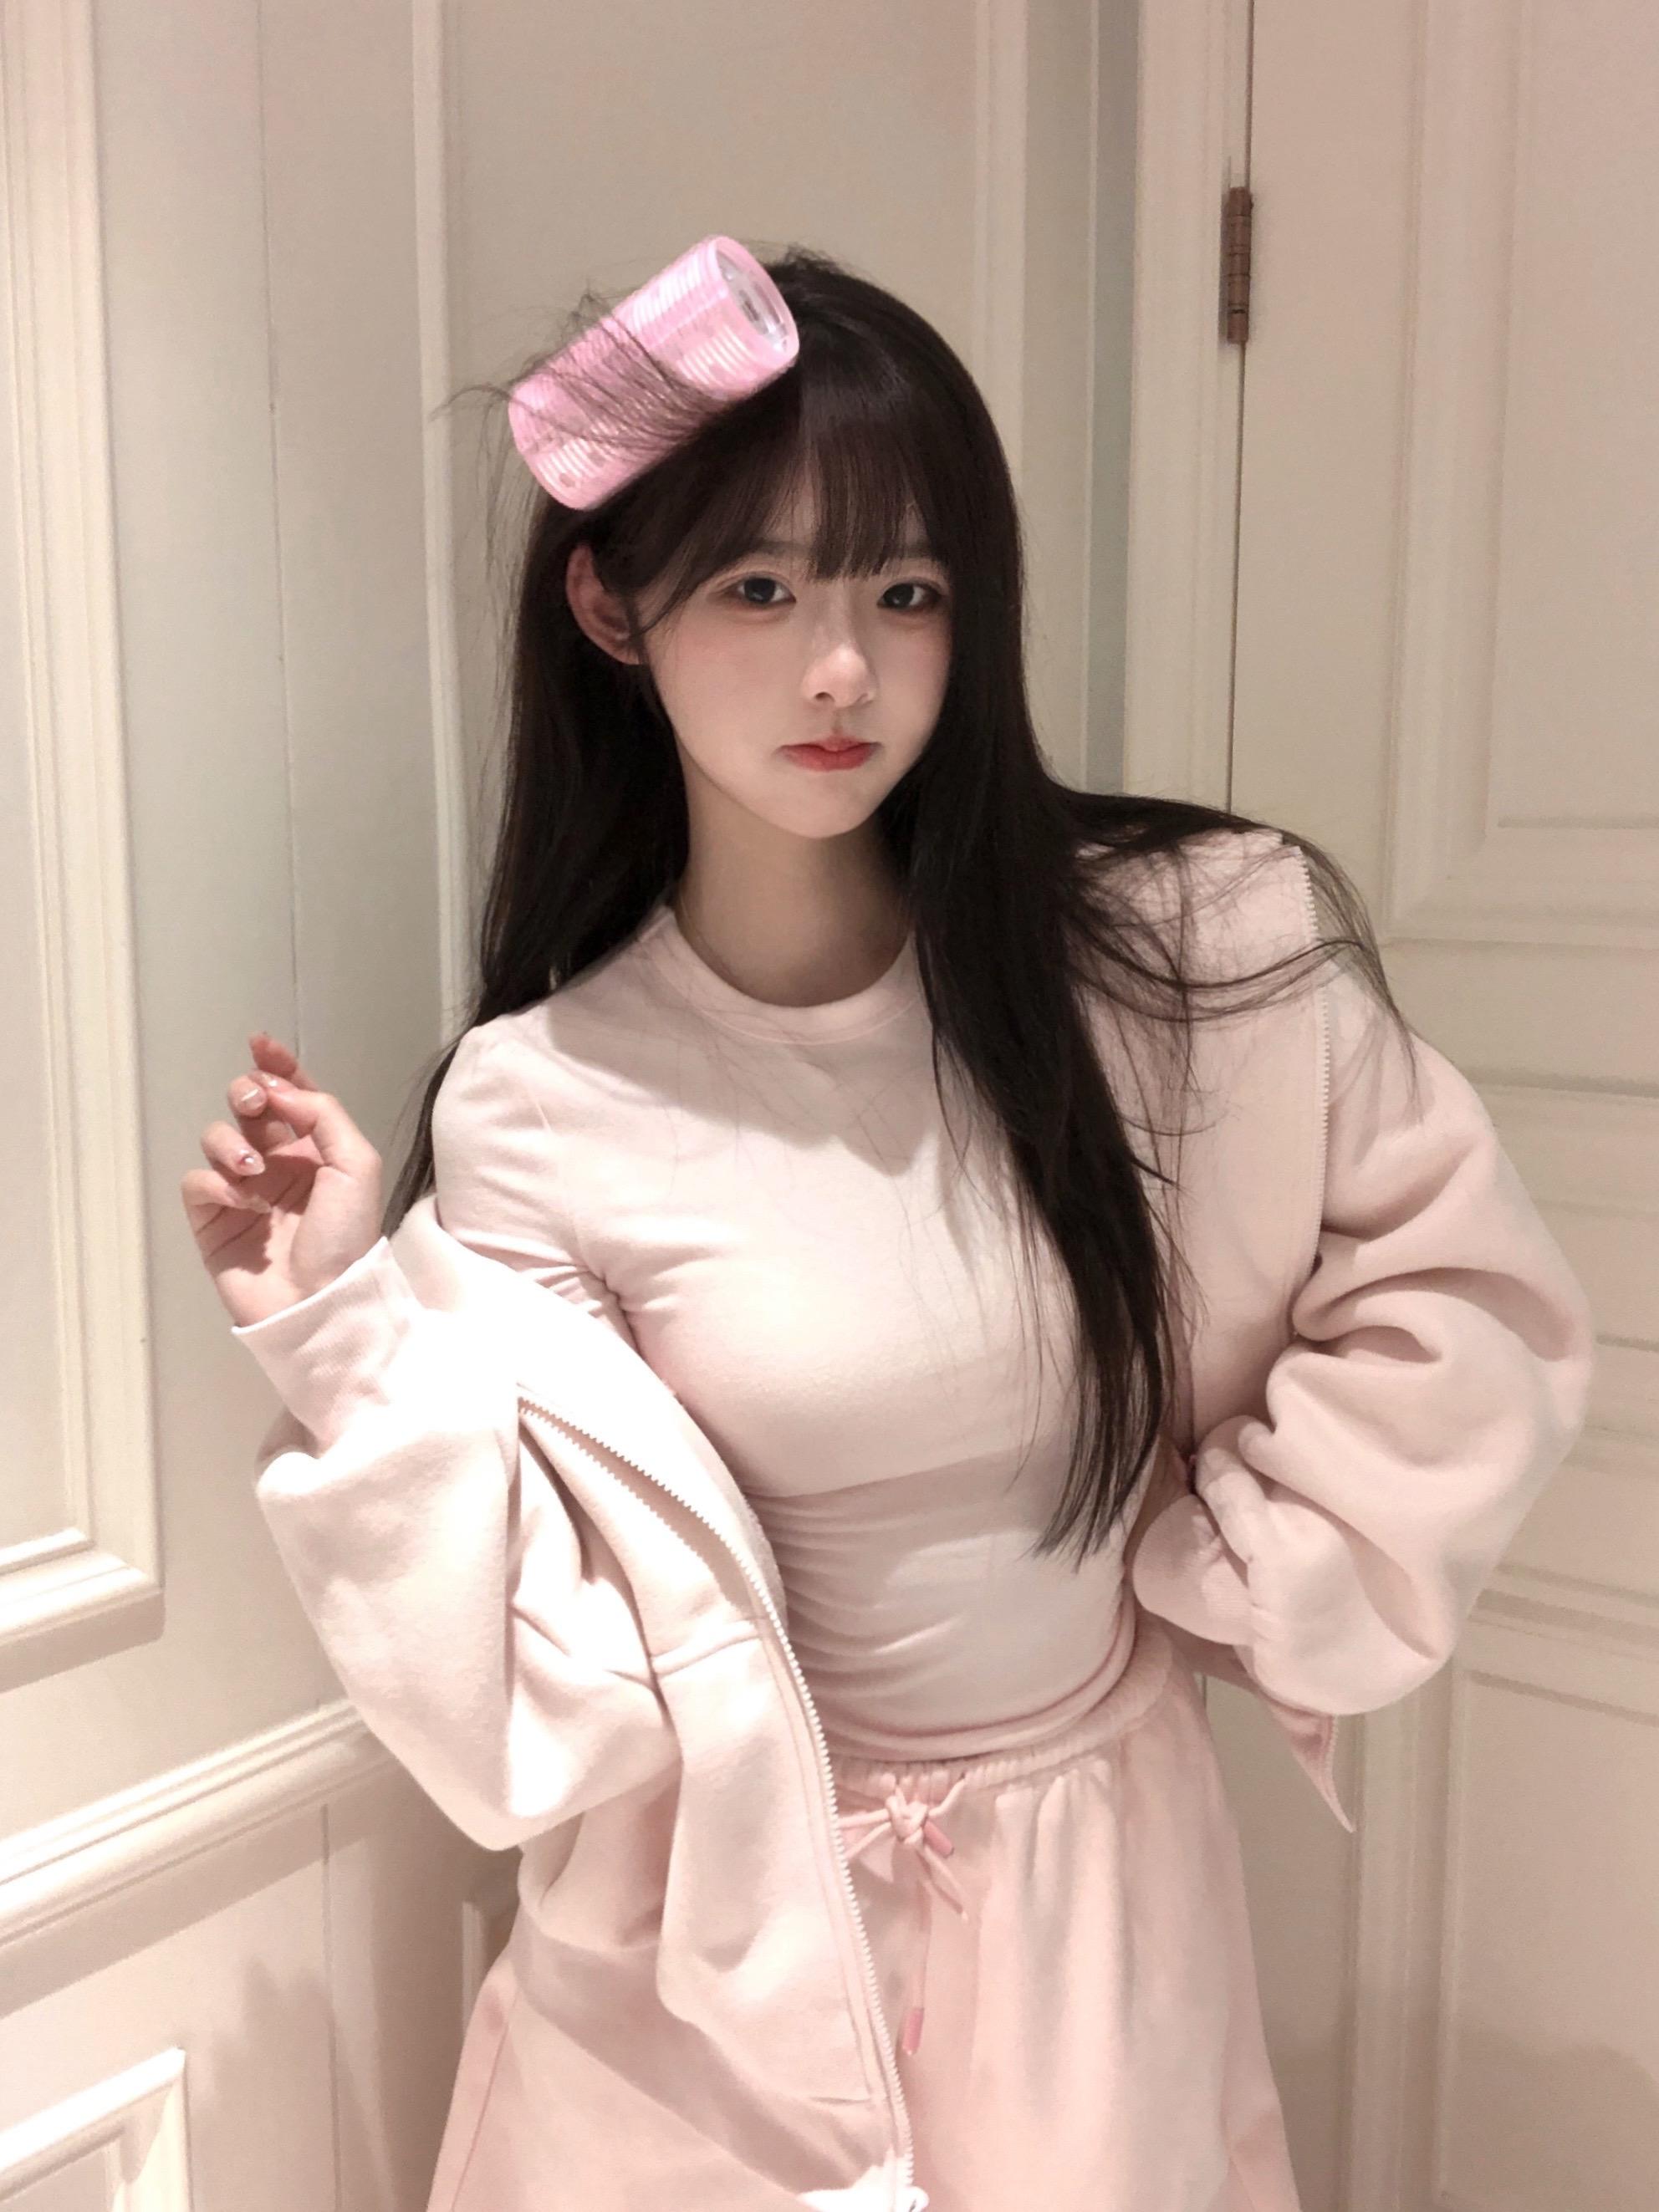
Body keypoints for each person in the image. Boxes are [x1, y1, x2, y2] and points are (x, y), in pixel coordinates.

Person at [182, 240, 1596, 2212]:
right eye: (759, 588)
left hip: (1099, 1906)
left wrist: (1229, 1575)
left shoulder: (1188, 965)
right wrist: (338, 1322)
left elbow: (1456, 1299)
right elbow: (536, 1703)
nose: (841, 667)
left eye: (904, 592)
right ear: (611, 603)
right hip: (716, 1967)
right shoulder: (542, 1100)